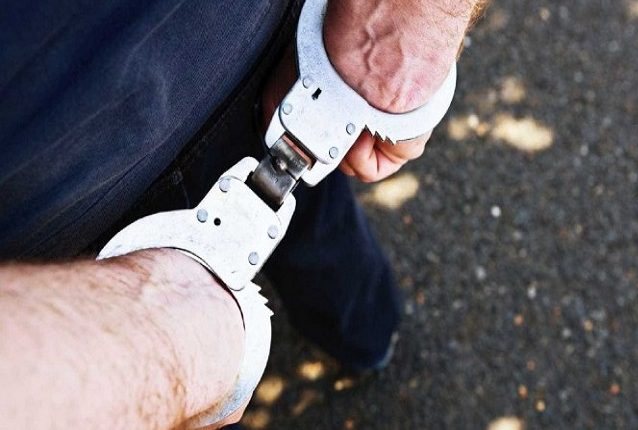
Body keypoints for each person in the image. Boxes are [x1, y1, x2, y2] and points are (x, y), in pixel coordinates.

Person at [0, 0, 485, 427]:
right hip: (55, 236)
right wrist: (170, 340)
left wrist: (425, 13)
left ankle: (367, 336)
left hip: (266, 63)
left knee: (313, 212)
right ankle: (367, 339)